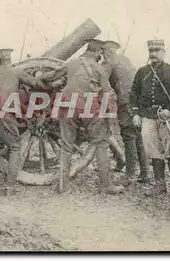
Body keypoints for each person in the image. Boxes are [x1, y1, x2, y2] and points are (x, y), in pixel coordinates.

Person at [41, 40, 123, 195]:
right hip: (90, 109)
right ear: (97, 51)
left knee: (66, 146)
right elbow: (105, 93)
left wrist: (40, 75)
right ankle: (106, 186)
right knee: (101, 145)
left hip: (67, 107)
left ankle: (63, 186)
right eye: (100, 52)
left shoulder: (71, 64)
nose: (101, 56)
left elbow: (51, 76)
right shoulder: (99, 69)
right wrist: (109, 117)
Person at [0, 48, 47, 197]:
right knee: (15, 147)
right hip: (5, 114)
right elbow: (37, 84)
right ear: (9, 58)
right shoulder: (16, 71)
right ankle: (9, 188)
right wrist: (43, 77)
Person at [129, 39, 170, 196]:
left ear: (164, 51)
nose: (154, 54)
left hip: (166, 118)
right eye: (151, 51)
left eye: (157, 50)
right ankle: (160, 185)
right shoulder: (142, 72)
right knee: (153, 151)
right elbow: (134, 94)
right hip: (147, 117)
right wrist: (135, 113)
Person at [101, 40, 145, 186]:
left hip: (126, 101)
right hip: (139, 100)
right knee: (138, 136)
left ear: (107, 51)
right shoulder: (126, 60)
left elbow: (101, 84)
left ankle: (130, 175)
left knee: (129, 137)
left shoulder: (108, 63)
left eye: (103, 52)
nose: (102, 55)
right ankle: (145, 173)